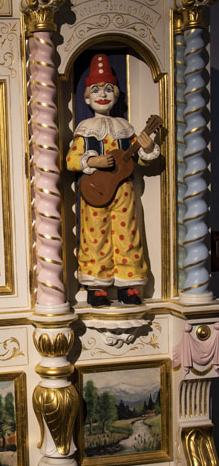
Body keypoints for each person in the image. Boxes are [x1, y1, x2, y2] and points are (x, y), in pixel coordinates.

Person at [66, 54, 160, 307]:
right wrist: (94, 161)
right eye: (96, 90)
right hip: (95, 191)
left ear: (116, 94)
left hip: (124, 191)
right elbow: (71, 160)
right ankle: (97, 285)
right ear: (87, 96)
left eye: (108, 89)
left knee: (127, 234)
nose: (103, 94)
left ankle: (129, 283)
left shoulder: (124, 127)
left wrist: (147, 148)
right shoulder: (86, 128)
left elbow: (139, 160)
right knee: (95, 236)